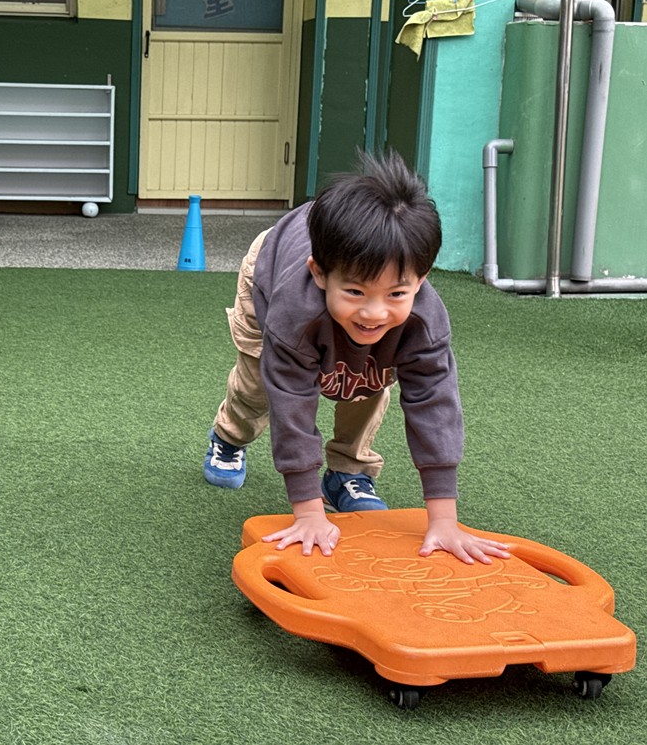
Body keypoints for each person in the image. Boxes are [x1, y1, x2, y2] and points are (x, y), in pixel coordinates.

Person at [203, 151, 509, 565]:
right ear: (319, 274)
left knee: (366, 382)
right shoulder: (295, 312)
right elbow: (292, 402)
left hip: (343, 285)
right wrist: (308, 514)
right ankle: (229, 436)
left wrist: (444, 520)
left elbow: (434, 404)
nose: (374, 312)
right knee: (260, 383)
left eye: (396, 294)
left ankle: (348, 471)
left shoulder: (424, 321)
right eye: (356, 293)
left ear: (420, 281)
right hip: (270, 269)